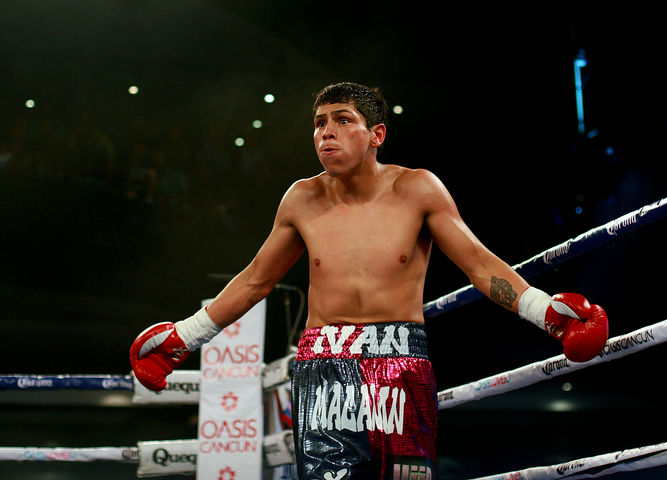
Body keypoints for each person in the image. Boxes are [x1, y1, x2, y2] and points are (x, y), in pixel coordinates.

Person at [130, 82, 609, 479]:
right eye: (320, 122)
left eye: (342, 120)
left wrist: (545, 312)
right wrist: (184, 336)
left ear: (377, 133)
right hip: (323, 365)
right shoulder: (301, 199)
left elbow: (478, 265)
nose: (326, 132)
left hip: (400, 361)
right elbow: (256, 280)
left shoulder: (416, 188)